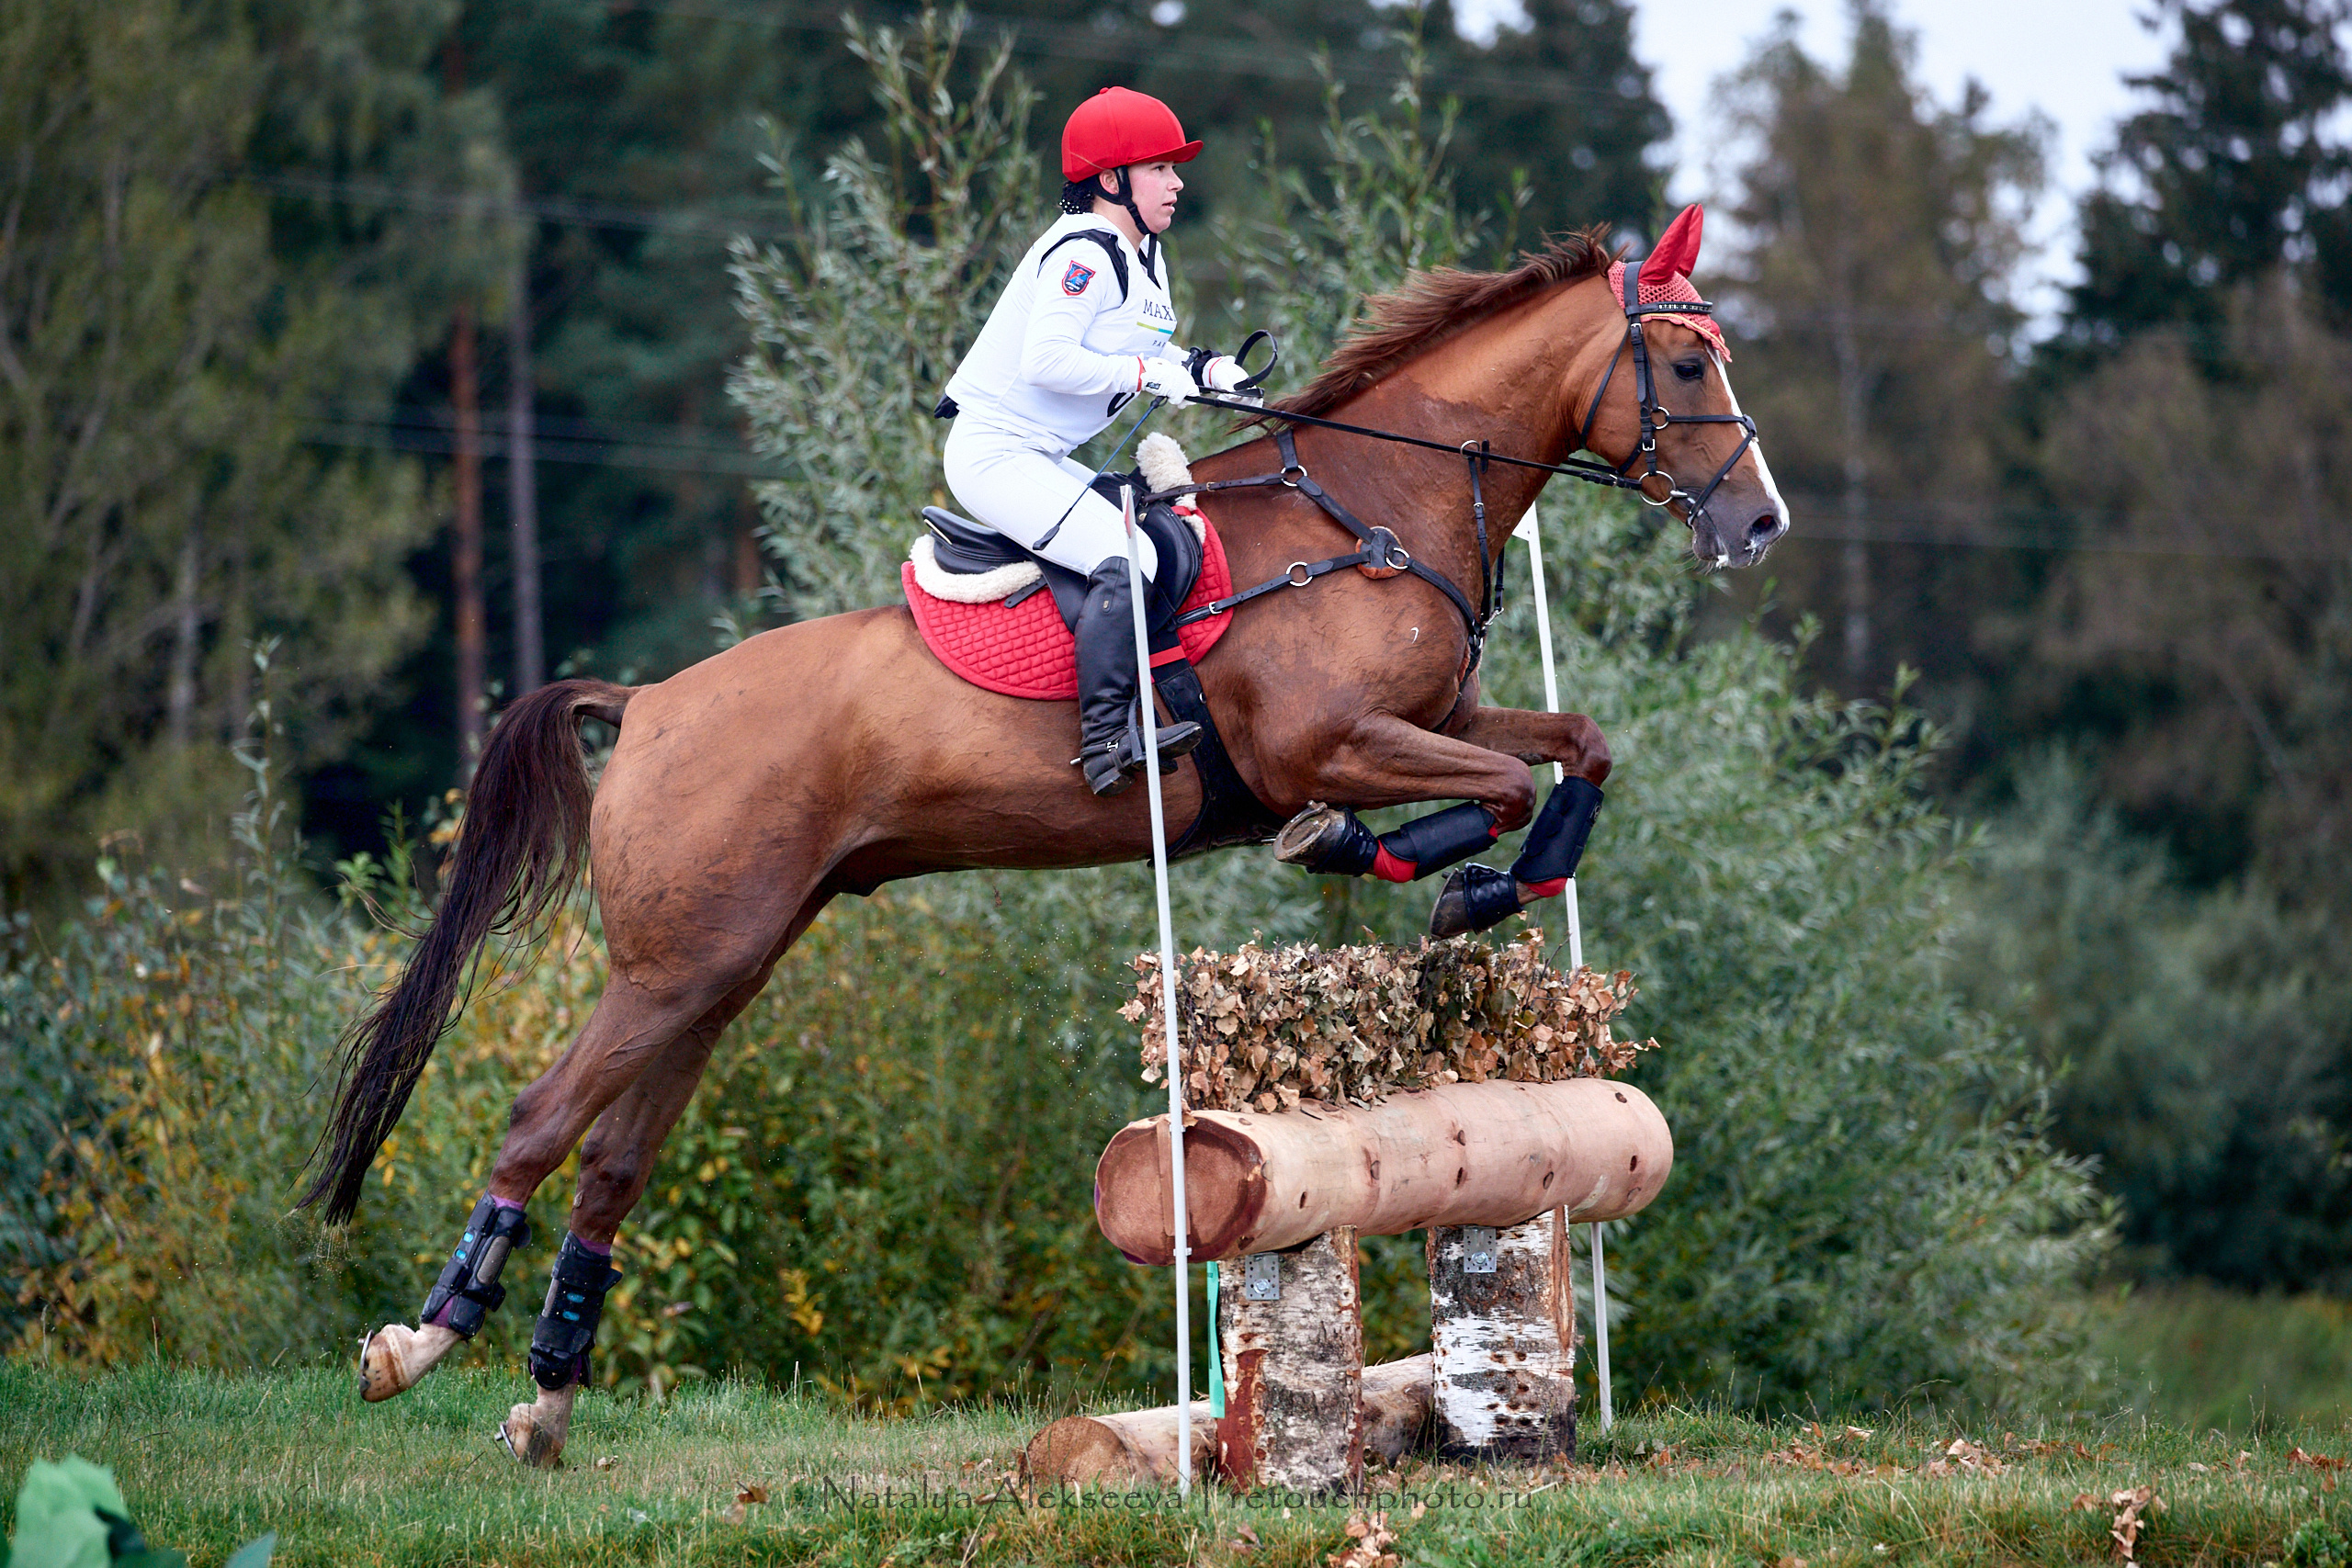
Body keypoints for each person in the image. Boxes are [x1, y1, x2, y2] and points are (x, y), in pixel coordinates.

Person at [939, 86, 1259, 796]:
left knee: (1158, 532)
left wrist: (1204, 369)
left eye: (1174, 169)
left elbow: (1140, 348)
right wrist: (1146, 374)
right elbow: (1047, 361)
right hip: (994, 454)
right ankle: (1107, 740)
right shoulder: (1082, 253)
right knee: (1127, 553)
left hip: (1039, 456)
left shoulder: (1144, 255)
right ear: (1112, 180)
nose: (1176, 183)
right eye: (1159, 169)